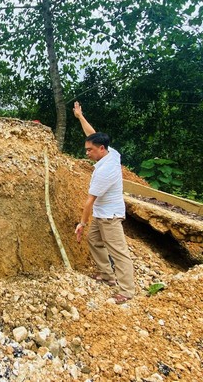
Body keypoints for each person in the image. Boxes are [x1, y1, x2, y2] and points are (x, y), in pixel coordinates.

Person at [73, 101, 135, 304]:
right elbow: (93, 134)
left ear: (100, 149)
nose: (86, 153)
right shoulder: (111, 153)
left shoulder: (104, 171)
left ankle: (127, 291)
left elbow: (89, 202)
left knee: (119, 252)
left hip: (110, 216)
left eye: (89, 150)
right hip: (102, 214)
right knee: (94, 240)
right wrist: (80, 117)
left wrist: (81, 224)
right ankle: (107, 275)